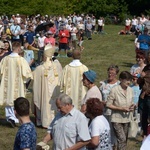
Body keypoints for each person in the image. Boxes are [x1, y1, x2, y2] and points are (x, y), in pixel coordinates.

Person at [0, 41, 32, 127]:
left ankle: (10, 117)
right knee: (17, 100)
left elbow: (1, 71)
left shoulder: (5, 59)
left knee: (8, 98)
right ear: (18, 48)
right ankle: (16, 118)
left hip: (7, 84)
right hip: (18, 84)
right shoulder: (21, 60)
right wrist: (26, 81)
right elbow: (27, 73)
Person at [33, 44, 62, 128]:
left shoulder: (40, 68)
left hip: (45, 93)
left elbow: (34, 81)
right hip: (55, 91)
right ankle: (56, 119)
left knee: (46, 102)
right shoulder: (57, 65)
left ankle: (45, 121)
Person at [106, 71, 135, 150]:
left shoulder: (130, 90)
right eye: (126, 80)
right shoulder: (114, 90)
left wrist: (132, 106)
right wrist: (121, 109)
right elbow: (108, 104)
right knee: (121, 139)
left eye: (130, 80)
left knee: (124, 140)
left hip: (127, 119)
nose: (129, 82)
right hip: (116, 119)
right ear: (121, 80)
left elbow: (132, 102)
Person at [99, 65, 120, 149]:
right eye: (109, 72)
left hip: (114, 111)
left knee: (113, 131)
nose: (110, 74)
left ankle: (114, 146)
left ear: (116, 74)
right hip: (104, 111)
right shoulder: (103, 84)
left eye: (112, 73)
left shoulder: (118, 85)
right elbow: (99, 96)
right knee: (105, 130)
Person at [137, 64, 150, 138]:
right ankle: (145, 135)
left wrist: (146, 92)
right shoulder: (146, 68)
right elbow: (139, 82)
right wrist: (141, 77)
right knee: (143, 117)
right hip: (143, 97)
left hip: (148, 96)